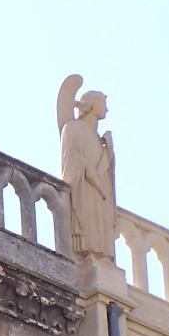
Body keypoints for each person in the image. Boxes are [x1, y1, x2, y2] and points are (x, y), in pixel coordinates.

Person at [59, 88, 115, 258]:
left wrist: (109, 151)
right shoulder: (72, 128)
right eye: (104, 104)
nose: (107, 109)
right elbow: (70, 158)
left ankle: (102, 254)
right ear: (91, 105)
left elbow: (105, 175)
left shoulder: (100, 140)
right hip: (85, 192)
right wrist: (90, 173)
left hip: (100, 198)